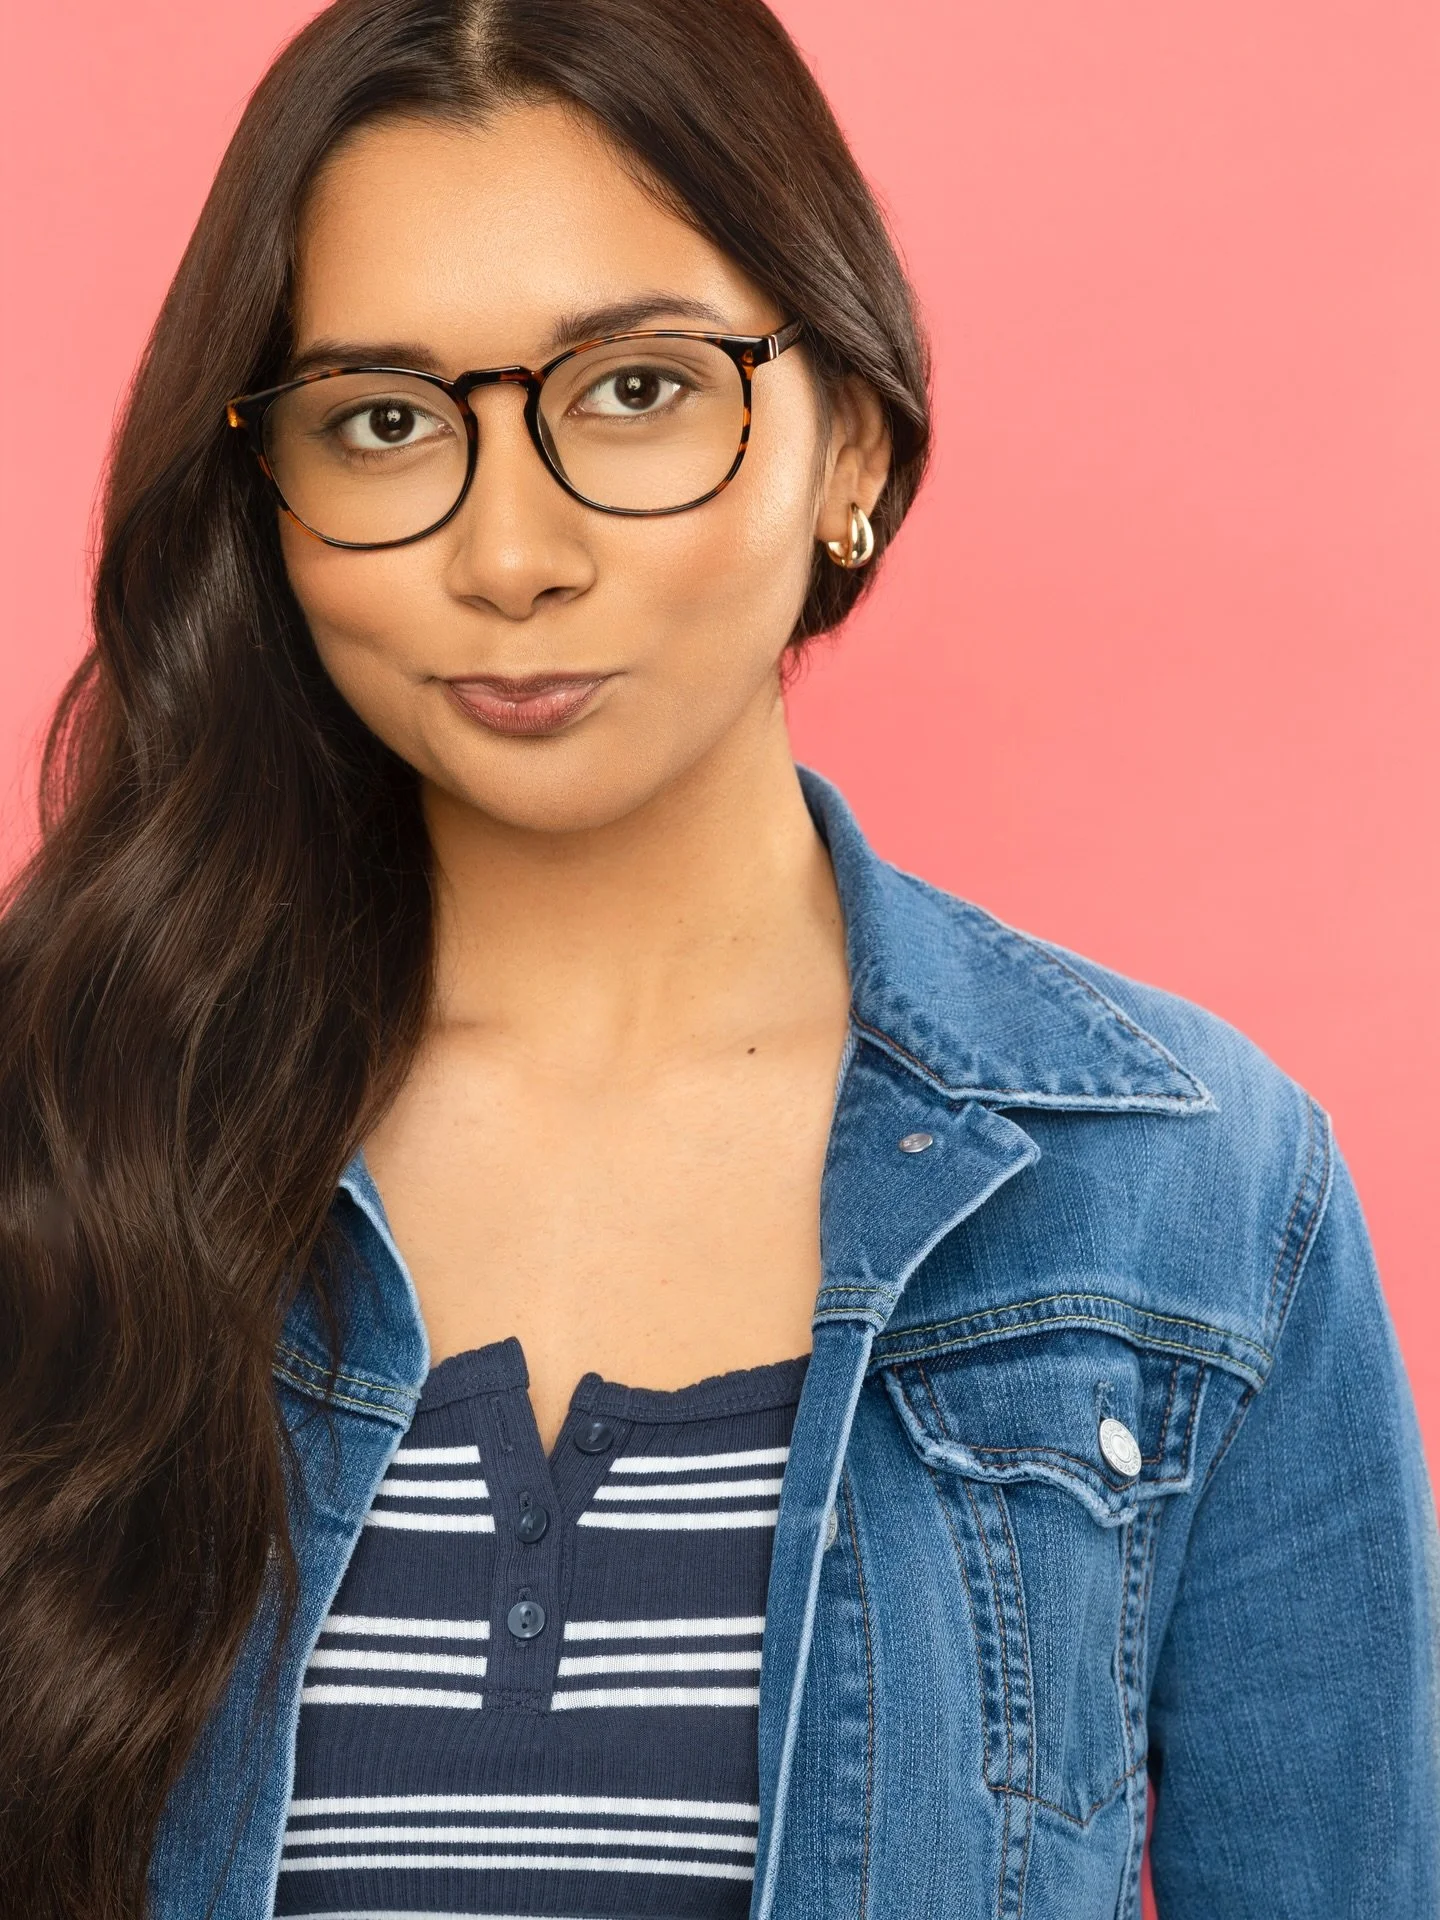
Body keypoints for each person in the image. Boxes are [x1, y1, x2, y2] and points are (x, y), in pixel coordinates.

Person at [1, 1, 1435, 1916]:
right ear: (269, 506)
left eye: (638, 391)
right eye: (382, 421)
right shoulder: (58, 1127)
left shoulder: (1188, 1193)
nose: (509, 552)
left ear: (850, 432)